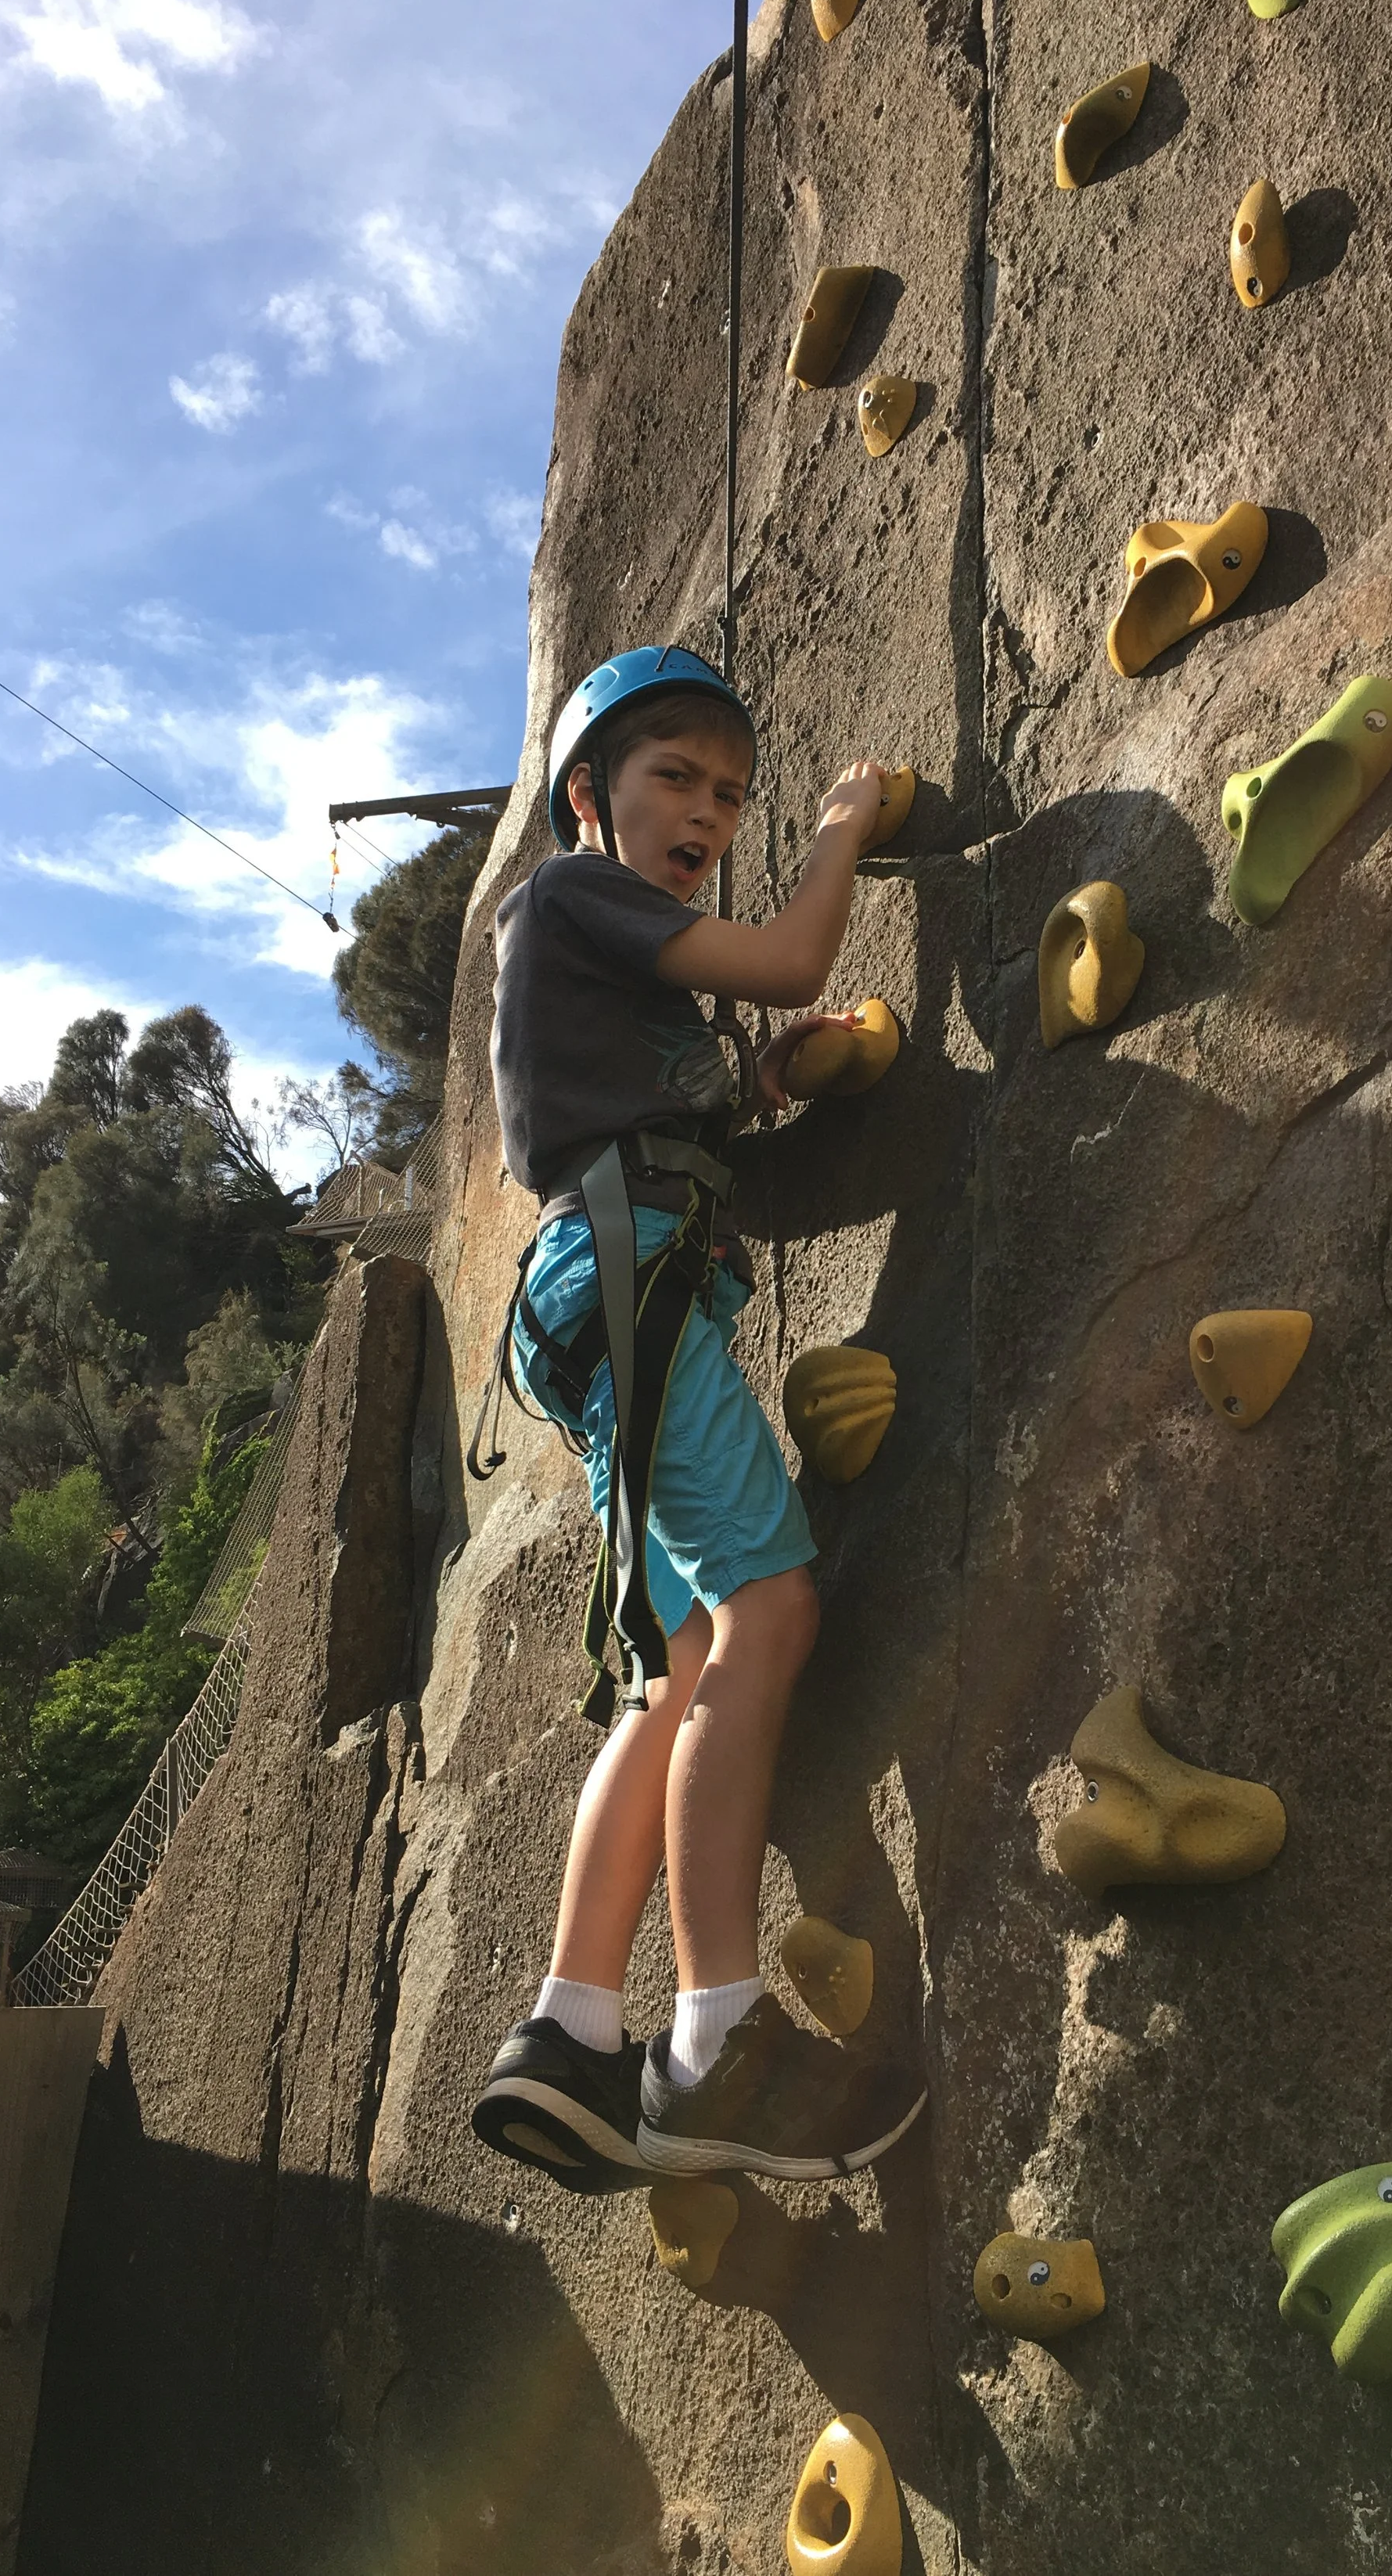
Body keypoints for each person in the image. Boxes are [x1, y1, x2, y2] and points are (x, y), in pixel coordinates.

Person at [470, 645, 924, 2188]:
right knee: (771, 1611)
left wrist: (765, 1089)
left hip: (595, 1286)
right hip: (630, 1268)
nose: (709, 813)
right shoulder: (573, 894)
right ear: (590, 796)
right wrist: (842, 828)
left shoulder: (600, 971)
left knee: (672, 1675)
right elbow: (788, 957)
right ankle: (716, 2034)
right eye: (677, 778)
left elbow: (707, 1074)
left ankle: (569, 2029)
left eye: (734, 796)